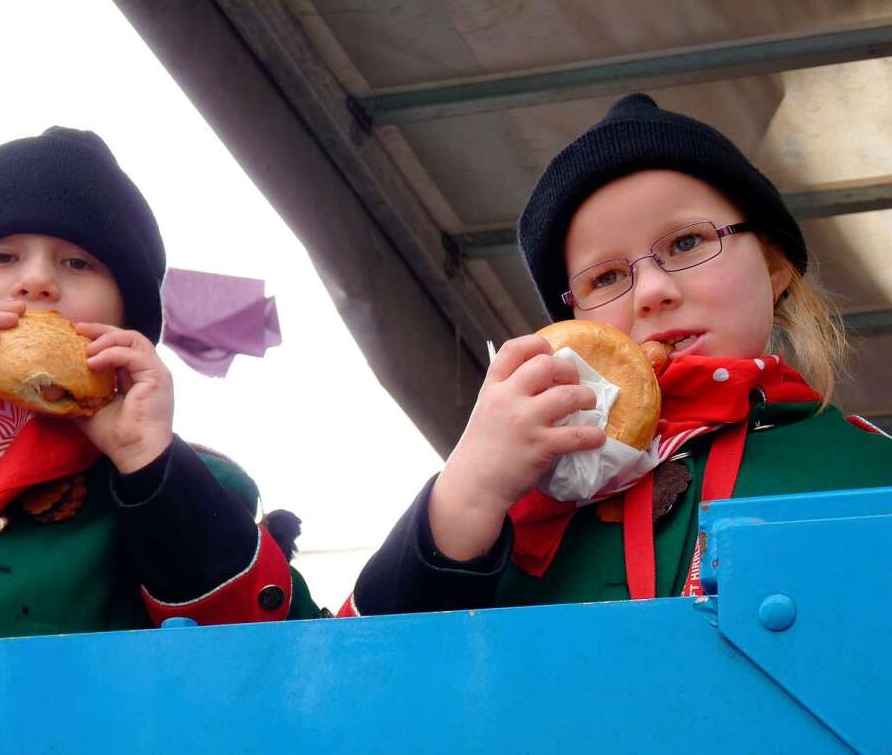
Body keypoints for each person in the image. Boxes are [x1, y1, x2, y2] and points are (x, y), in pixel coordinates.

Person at [340, 94, 892, 616]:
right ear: (579, 326)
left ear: (773, 267)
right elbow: (355, 678)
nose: (653, 291)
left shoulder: (870, 468)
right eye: (605, 277)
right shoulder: (515, 501)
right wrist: (464, 494)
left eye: (687, 243)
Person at [0, 127, 319, 644]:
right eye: (1, 257)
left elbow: (272, 652)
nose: (37, 281)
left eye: (78, 263)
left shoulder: (184, 483)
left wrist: (150, 466)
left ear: (127, 316)